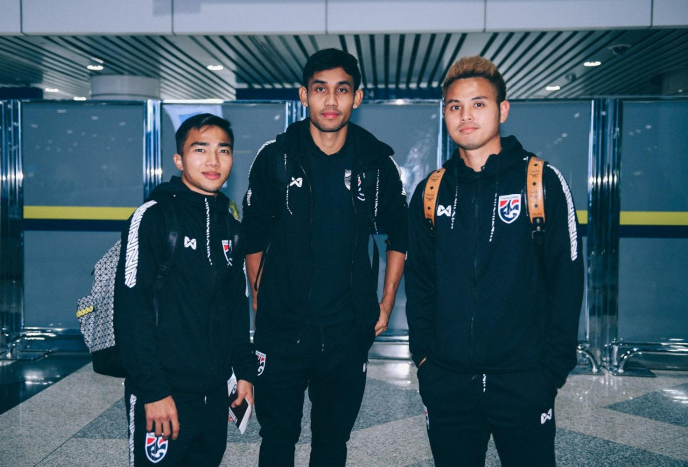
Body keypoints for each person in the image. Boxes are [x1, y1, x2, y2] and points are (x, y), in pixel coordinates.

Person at [405, 56, 584, 466]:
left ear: (503, 110)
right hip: (447, 382)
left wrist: (550, 372)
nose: (466, 116)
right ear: (445, 114)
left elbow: (567, 281)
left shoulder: (542, 182)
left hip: (524, 382)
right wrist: (426, 361)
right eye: (455, 106)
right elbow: (421, 283)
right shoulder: (431, 191)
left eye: (478, 104)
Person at [242, 48, 408, 466]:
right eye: (320, 89)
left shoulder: (375, 162)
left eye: (342, 90)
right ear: (304, 95)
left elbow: (400, 234)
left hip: (346, 332)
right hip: (282, 331)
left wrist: (386, 302)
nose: (330, 101)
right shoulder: (276, 157)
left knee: (332, 443)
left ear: (357, 97)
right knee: (276, 439)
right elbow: (253, 235)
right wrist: (260, 297)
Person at [114, 113, 256, 466]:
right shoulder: (153, 217)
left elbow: (236, 307)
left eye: (223, 150)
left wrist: (245, 373)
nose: (213, 161)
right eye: (200, 149)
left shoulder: (231, 227)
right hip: (163, 393)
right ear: (179, 160)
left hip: (214, 395)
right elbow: (131, 309)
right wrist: (153, 391)